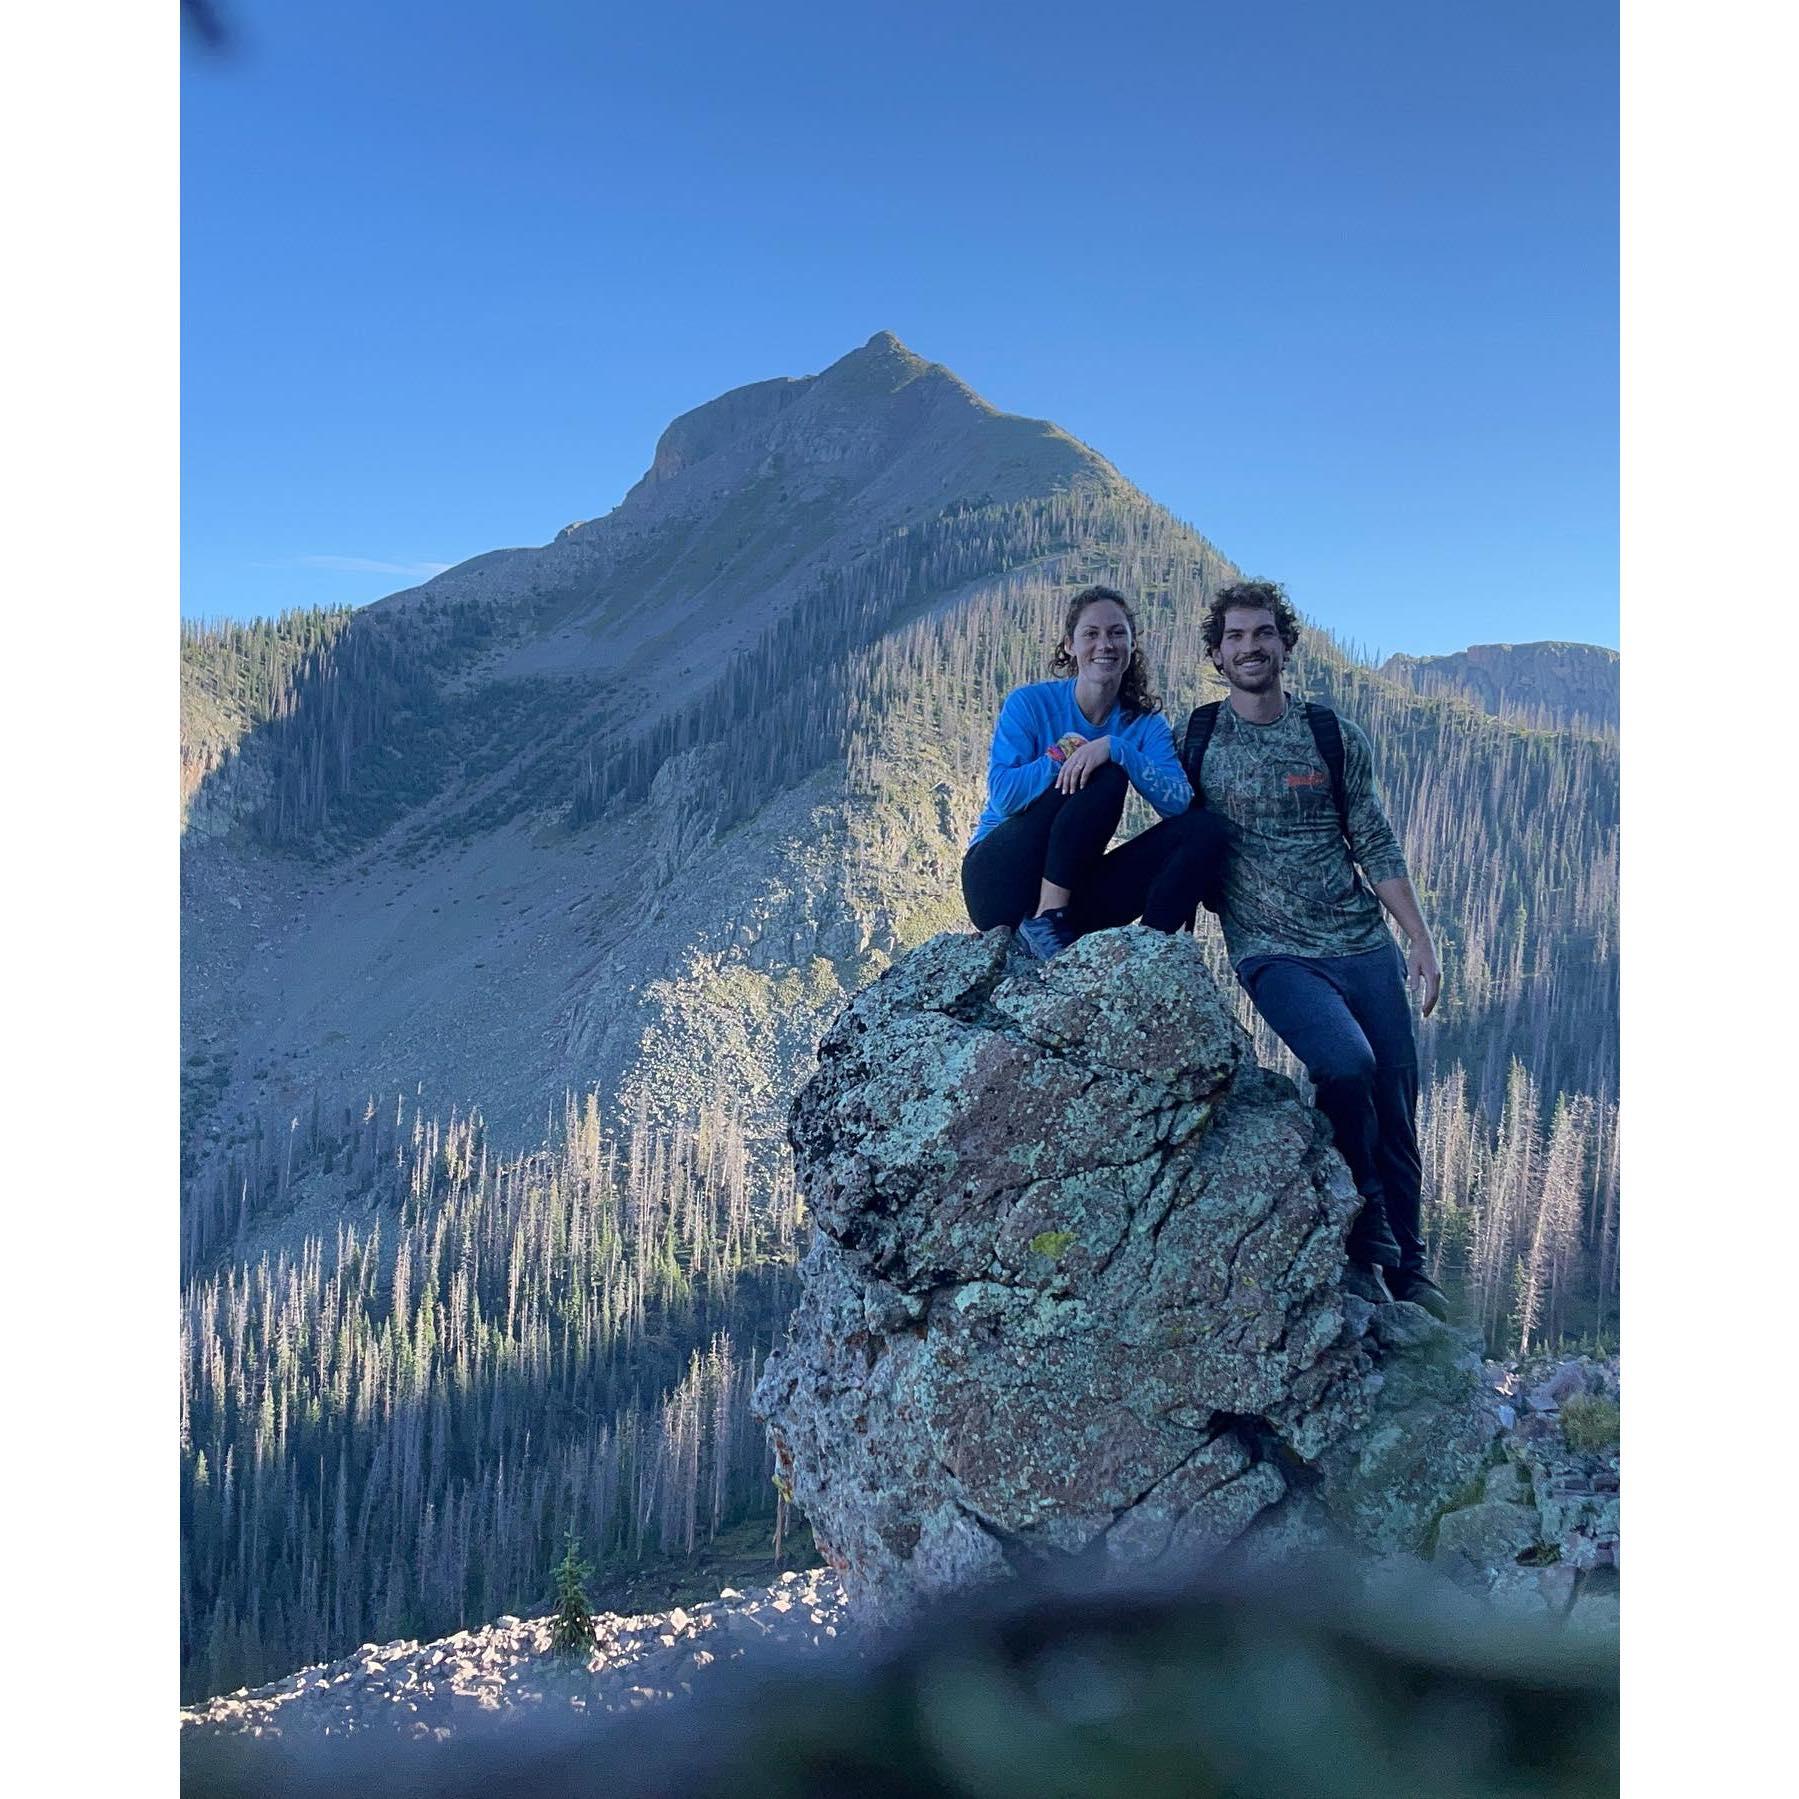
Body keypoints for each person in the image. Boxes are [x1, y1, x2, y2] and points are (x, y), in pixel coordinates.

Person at [1182, 579, 1451, 1319]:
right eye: (1234, 636)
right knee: (1342, 1063)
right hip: (1270, 949)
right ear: (1216, 653)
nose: (1249, 647)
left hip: (1360, 941)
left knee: (1394, 1101)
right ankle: (1362, 1228)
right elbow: (1168, 821)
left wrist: (1418, 940)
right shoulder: (1197, 739)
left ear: (1284, 644)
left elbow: (1372, 838)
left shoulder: (1330, 735)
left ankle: (1411, 1268)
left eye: (1261, 633)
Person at [962, 585, 1227, 959]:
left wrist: (1118, 749)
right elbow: (1004, 796)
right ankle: (1045, 918)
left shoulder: (1145, 725)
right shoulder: (1031, 703)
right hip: (999, 883)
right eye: (1092, 634)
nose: (1105, 644)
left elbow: (1179, 804)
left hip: (1078, 896)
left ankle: (1146, 957)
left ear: (1132, 644)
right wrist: (1063, 753)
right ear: (1070, 645)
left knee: (1205, 830)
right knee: (1106, 776)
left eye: (1117, 633)